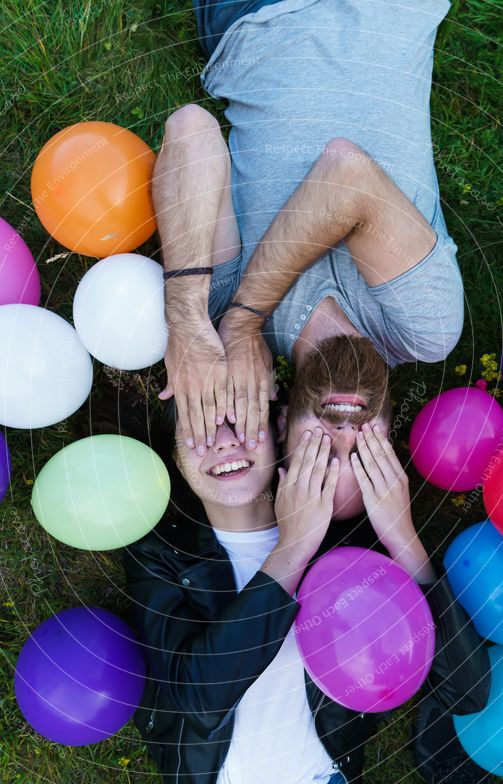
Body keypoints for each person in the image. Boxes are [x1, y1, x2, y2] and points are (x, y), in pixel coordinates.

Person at [100, 385, 492, 784]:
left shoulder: (348, 551)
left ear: (277, 430)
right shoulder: (160, 555)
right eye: (197, 430)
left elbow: (465, 692)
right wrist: (292, 548)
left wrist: (403, 537)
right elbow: (199, 700)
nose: (225, 439)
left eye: (241, 419)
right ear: (176, 461)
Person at [152, 0, 464, 520]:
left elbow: (191, 132)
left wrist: (187, 320)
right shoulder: (422, 331)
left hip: (252, 17)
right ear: (391, 439)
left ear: (279, 432)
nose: (344, 434)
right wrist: (245, 321)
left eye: (321, 457)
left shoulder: (221, 314)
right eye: (365, 457)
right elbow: (347, 175)